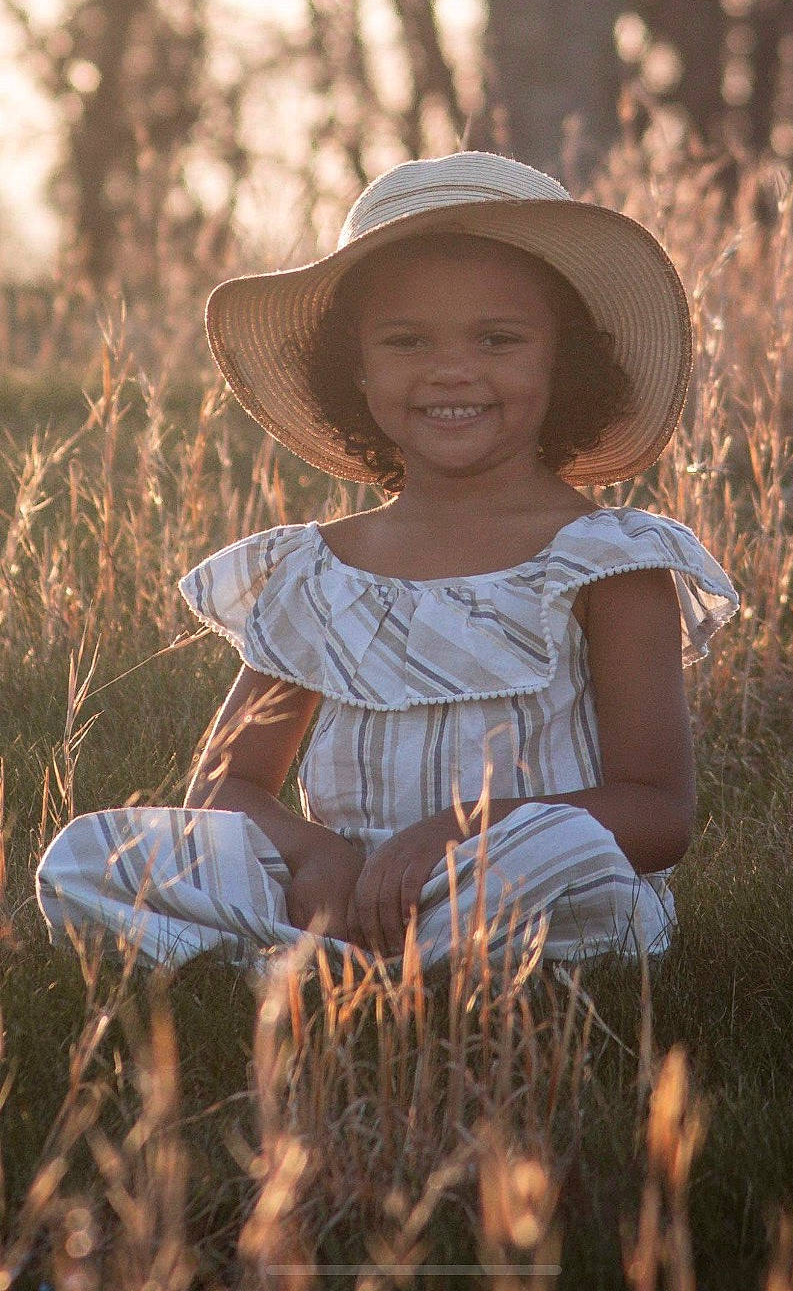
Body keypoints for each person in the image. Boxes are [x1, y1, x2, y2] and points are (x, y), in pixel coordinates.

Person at [37, 152, 738, 972]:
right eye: (406, 341)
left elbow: (657, 813)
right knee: (91, 856)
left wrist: (463, 830)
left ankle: (308, 971)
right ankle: (346, 960)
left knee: (574, 867)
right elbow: (223, 788)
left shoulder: (607, 562)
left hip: (512, 880)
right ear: (356, 372)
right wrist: (311, 854)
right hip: (342, 890)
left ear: (563, 360)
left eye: (499, 339)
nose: (451, 370)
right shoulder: (318, 569)